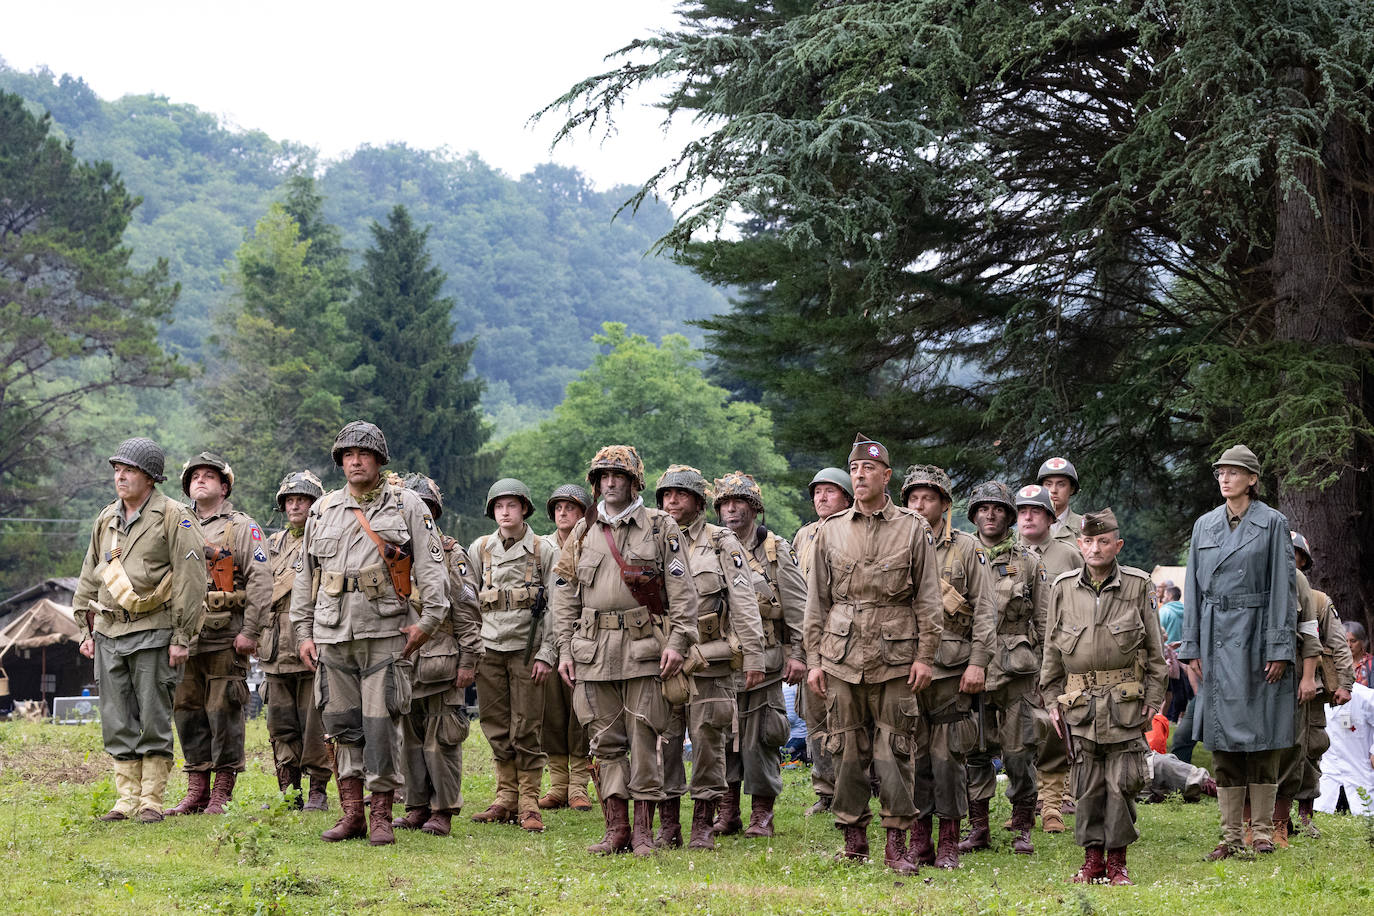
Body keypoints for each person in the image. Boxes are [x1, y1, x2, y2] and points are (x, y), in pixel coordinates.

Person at [290, 420, 450, 846]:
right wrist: (303, 632)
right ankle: (351, 814)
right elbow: (306, 576)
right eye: (346, 454)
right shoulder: (322, 509)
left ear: (379, 459)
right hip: (332, 632)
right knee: (342, 724)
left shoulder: (408, 505)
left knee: (381, 725)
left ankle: (381, 814)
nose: (354, 460)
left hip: (385, 630)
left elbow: (433, 573)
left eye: (363, 453)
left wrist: (427, 623)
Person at [550, 445, 699, 857]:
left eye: (618, 476)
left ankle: (644, 833)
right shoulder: (583, 531)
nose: (609, 483)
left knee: (645, 738)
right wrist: (564, 650)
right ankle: (615, 828)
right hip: (592, 650)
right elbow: (564, 597)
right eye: (602, 477)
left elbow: (683, 593)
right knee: (605, 742)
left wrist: (678, 642)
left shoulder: (660, 526)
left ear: (635, 482)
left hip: (645, 648)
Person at [803, 434, 942, 874]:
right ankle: (853, 840)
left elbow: (929, 600)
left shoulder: (912, 528)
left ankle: (896, 845)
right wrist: (813, 660)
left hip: (896, 658)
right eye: (855, 468)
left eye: (869, 469)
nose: (860, 475)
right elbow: (816, 602)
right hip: (841, 656)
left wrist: (925, 655)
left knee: (896, 751)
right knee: (845, 749)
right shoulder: (831, 530)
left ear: (887, 476)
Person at [73, 438, 207, 822]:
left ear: (150, 478)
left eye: (129, 470)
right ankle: (125, 799)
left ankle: (151, 800)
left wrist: (182, 637)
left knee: (152, 717)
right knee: (116, 719)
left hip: (155, 631)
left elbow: (191, 580)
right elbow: (89, 576)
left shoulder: (173, 515)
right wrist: (84, 629)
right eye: (117, 469)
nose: (120, 475)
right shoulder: (106, 519)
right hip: (110, 633)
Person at [1180, 444, 1299, 860]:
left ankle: (1263, 831)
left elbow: (1284, 590)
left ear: (1252, 479)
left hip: (1258, 637)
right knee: (1221, 738)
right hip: (1214, 639)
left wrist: (1280, 647)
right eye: (1220, 472)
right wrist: (1191, 645)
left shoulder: (1273, 523)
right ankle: (1230, 835)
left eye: (1234, 472)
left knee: (1264, 736)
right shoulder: (1204, 526)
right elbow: (1192, 590)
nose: (1225, 478)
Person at [1041, 508, 1167, 886]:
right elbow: (1051, 651)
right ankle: (1091, 861)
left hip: (1125, 702)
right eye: (1088, 541)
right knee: (1087, 787)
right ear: (1079, 544)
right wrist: (1051, 699)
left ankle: (1117, 863)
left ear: (1117, 545)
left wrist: (1154, 697)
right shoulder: (1063, 587)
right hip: (1079, 703)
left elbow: (1156, 650)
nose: (1095, 548)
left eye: (1103, 541)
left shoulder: (1138, 584)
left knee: (1122, 785)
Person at [655, 465, 765, 849]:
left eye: (680, 495)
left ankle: (704, 823)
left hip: (709, 661)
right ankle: (668, 824)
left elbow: (745, 603)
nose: (671, 501)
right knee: (665, 743)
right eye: (666, 495)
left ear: (699, 502)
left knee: (707, 742)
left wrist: (753, 656)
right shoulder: (650, 539)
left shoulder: (721, 542)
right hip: (664, 661)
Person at [166, 452, 272, 816]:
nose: (200, 480)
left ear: (224, 486)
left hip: (226, 636)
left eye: (209, 476)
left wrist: (251, 630)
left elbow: (261, 580)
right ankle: (197, 788)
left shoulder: (242, 527)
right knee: (186, 710)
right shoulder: (176, 524)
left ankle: (221, 791)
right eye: (195, 476)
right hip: (184, 637)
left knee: (223, 709)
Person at [901, 464, 996, 869]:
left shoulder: (967, 548)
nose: (920, 505)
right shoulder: (896, 541)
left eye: (928, 498)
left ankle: (950, 843)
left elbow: (986, 610)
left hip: (951, 669)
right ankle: (919, 840)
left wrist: (978, 663)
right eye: (913, 498)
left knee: (949, 760)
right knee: (911, 758)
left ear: (944, 503)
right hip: (903, 668)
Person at [712, 470, 807, 840]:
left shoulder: (775, 549)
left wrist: (797, 654)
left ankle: (761, 814)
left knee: (761, 737)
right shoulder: (711, 545)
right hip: (721, 658)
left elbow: (797, 607)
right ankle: (727, 810)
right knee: (722, 736)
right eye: (725, 503)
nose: (731, 510)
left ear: (754, 508)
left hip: (766, 660)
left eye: (739, 503)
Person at [961, 481, 1048, 857]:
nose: (990, 514)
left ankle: (1023, 827)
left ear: (1009, 516)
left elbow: (1044, 622)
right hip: (970, 668)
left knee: (1018, 754)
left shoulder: (1028, 562)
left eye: (998, 508)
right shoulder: (960, 555)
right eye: (983, 508)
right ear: (974, 515)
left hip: (1016, 672)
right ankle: (978, 827)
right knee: (974, 752)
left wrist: (1047, 676)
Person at [393, 475, 483, 838]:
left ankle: (442, 810)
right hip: (404, 661)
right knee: (410, 740)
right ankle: (416, 806)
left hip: (444, 659)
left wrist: (468, 661)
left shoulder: (449, 553)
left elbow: (467, 611)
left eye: (425, 508)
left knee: (441, 740)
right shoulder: (392, 552)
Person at [468, 478, 558, 832]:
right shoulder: (480, 550)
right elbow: (467, 603)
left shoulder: (542, 550)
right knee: (495, 725)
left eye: (512, 505)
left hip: (527, 651)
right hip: (489, 650)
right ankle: (506, 798)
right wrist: (472, 649)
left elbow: (556, 607)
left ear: (524, 509)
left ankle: (529, 801)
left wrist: (547, 653)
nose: (505, 512)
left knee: (527, 727)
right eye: (498, 506)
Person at [261, 470, 332, 811]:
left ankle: (318, 790)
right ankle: (288, 791)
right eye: (289, 500)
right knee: (280, 723)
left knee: (315, 723)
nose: (295, 506)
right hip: (274, 647)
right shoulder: (272, 544)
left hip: (312, 643)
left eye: (302, 500)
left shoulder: (326, 542)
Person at [793, 467, 853, 817]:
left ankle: (857, 785)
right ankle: (826, 790)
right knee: (815, 716)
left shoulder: (853, 531)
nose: (821, 498)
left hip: (846, 637)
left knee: (849, 717)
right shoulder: (804, 535)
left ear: (846, 497)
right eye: (817, 492)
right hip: (810, 638)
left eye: (830, 491)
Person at [538, 484, 596, 812]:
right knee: (552, 713)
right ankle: (558, 784)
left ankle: (578, 786)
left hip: (584, 637)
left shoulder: (593, 544)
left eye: (570, 507)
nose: (563, 512)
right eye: (558, 507)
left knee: (581, 713)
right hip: (545, 640)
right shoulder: (541, 547)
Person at [1315, 682, 1374, 815]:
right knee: (1322, 808)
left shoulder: (1364, 696)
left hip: (1361, 771)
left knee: (1363, 810)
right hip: (1328, 773)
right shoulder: (1317, 695)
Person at [1036, 457, 1083, 548]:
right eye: (1048, 484)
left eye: (1061, 484)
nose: (1053, 490)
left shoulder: (1085, 527)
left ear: (1072, 489)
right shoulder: (1027, 527)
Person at [1348, 621, 1372, 687]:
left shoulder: (1371, 663)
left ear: (1362, 641)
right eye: (1345, 641)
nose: (1349, 645)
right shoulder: (1339, 663)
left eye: (1353, 641)